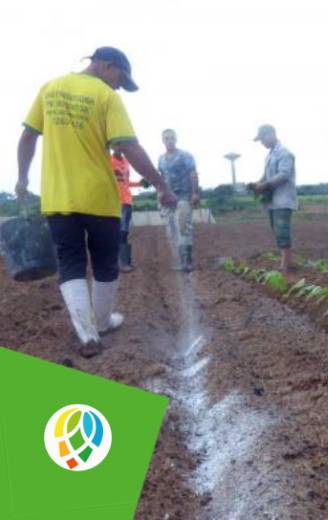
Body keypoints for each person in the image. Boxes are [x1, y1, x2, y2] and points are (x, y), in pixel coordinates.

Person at [16, 46, 176, 357]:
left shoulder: (50, 89)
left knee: (71, 261)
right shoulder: (105, 96)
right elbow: (128, 145)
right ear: (107, 66)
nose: (119, 86)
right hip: (100, 198)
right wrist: (161, 185)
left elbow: (27, 138)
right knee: (105, 261)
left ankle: (87, 334)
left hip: (59, 196)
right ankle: (101, 323)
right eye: (120, 78)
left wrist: (22, 178)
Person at [248, 124, 298, 273]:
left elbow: (283, 175)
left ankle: (285, 264)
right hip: (272, 200)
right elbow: (265, 175)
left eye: (262, 138)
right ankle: (289, 261)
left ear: (271, 134)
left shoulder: (285, 153)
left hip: (283, 198)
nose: (262, 143)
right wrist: (257, 183)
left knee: (282, 229)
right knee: (276, 230)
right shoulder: (269, 155)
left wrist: (265, 186)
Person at [158, 129, 200, 272]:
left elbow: (193, 174)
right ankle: (179, 259)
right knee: (172, 231)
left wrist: (195, 192)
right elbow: (162, 178)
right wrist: (160, 194)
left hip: (183, 196)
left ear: (176, 139)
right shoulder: (161, 159)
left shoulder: (185, 156)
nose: (169, 140)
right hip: (168, 200)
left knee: (183, 227)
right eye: (166, 138)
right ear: (163, 141)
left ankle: (187, 261)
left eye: (171, 138)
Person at [112, 149, 143, 272]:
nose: (119, 147)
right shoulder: (109, 161)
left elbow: (125, 182)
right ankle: (121, 262)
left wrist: (140, 184)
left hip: (127, 201)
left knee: (124, 231)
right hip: (115, 201)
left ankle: (124, 262)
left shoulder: (125, 162)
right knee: (119, 231)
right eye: (116, 145)